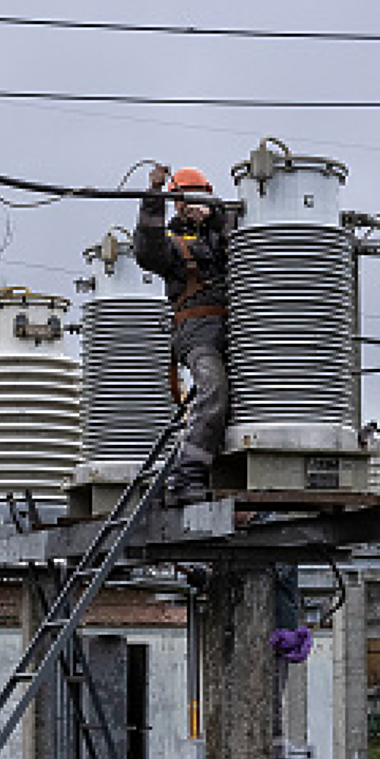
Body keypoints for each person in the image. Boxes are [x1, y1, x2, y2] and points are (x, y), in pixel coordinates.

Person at [134, 162, 230, 507]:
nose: (192, 206)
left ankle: (216, 467)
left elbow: (255, 241)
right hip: (197, 333)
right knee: (214, 391)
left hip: (235, 332)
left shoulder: (226, 235)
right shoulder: (173, 245)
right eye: (185, 200)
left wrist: (215, 216)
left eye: (200, 198)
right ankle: (188, 474)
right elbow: (146, 250)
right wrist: (153, 194)